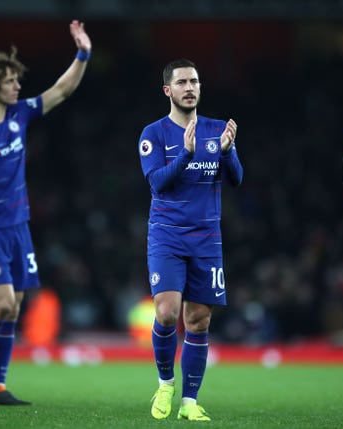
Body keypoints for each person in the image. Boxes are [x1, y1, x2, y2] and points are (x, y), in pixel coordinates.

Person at [0, 20, 91, 406]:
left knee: (17, 306)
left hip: (18, 225)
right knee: (2, 304)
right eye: (11, 81)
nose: (18, 86)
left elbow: (62, 90)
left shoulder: (21, 114)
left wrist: (83, 54)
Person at [138, 59, 243, 421]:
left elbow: (237, 180)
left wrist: (228, 152)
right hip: (166, 236)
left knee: (198, 320)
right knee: (167, 313)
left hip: (207, 239)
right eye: (182, 82)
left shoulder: (216, 129)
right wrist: (186, 153)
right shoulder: (153, 134)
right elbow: (157, 183)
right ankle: (166, 382)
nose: (190, 87)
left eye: (194, 81)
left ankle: (189, 402)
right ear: (168, 90)